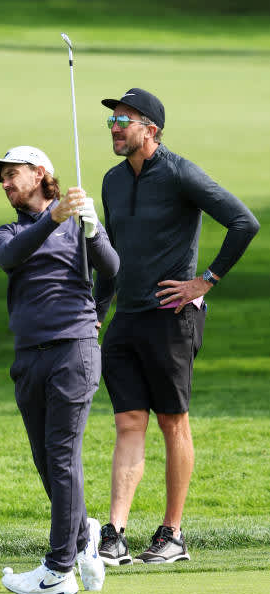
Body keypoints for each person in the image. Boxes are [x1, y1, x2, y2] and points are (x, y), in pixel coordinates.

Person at [95, 88, 260, 565]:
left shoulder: (179, 171)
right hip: (126, 319)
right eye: (112, 122)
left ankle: (172, 534)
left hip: (171, 318)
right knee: (128, 421)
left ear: (151, 129)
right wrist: (97, 311)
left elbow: (243, 222)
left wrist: (204, 282)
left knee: (171, 421)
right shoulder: (111, 181)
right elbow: (108, 256)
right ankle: (116, 534)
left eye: (124, 120)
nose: (116, 128)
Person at [0, 145, 119, 594]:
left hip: (73, 353)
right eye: (1, 177)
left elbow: (113, 271)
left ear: (40, 173)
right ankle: (85, 537)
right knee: (47, 461)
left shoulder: (79, 228)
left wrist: (95, 231)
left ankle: (59, 570)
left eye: (11, 174)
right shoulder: (7, 232)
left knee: (62, 456)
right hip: (28, 359)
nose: (4, 183)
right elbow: (10, 257)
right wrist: (55, 217)